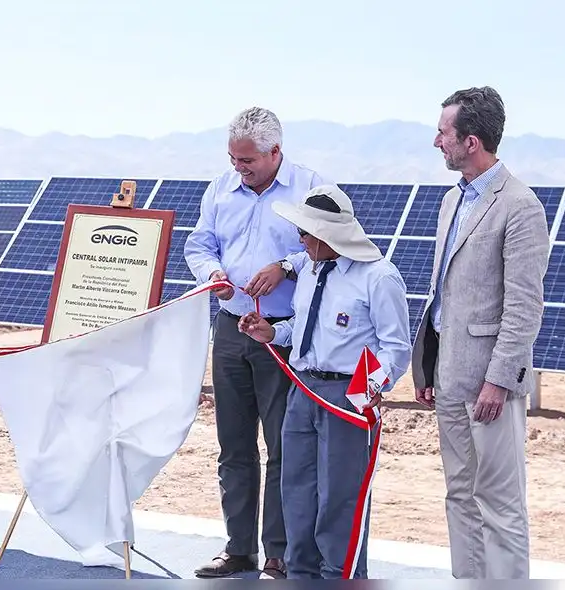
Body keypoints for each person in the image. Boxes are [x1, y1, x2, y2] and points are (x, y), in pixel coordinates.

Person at [238, 184, 412, 579]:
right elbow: (305, 325)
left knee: (341, 499)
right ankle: (300, 577)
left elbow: (395, 349)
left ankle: (341, 578)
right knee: (296, 493)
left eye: (306, 232)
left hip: (347, 397)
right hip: (302, 391)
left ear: (329, 235)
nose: (299, 239)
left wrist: (365, 394)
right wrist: (273, 333)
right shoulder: (313, 268)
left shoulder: (379, 277)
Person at [411, 86, 549, 579]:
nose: (436, 142)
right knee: (460, 496)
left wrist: (499, 380)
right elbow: (444, 295)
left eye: (443, 133)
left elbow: (524, 305)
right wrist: (427, 364)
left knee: (501, 506)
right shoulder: (452, 201)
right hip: (449, 376)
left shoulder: (520, 206)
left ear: (471, 141)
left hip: (490, 384)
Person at [184, 106, 328, 578]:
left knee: (283, 446)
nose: (238, 168)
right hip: (230, 327)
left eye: (247, 161)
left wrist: (285, 266)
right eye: (233, 158)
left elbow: (332, 251)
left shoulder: (311, 189)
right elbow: (198, 244)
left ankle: (280, 551)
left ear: (275, 153)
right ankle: (238, 548)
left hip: (283, 333)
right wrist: (214, 274)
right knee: (234, 445)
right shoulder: (219, 189)